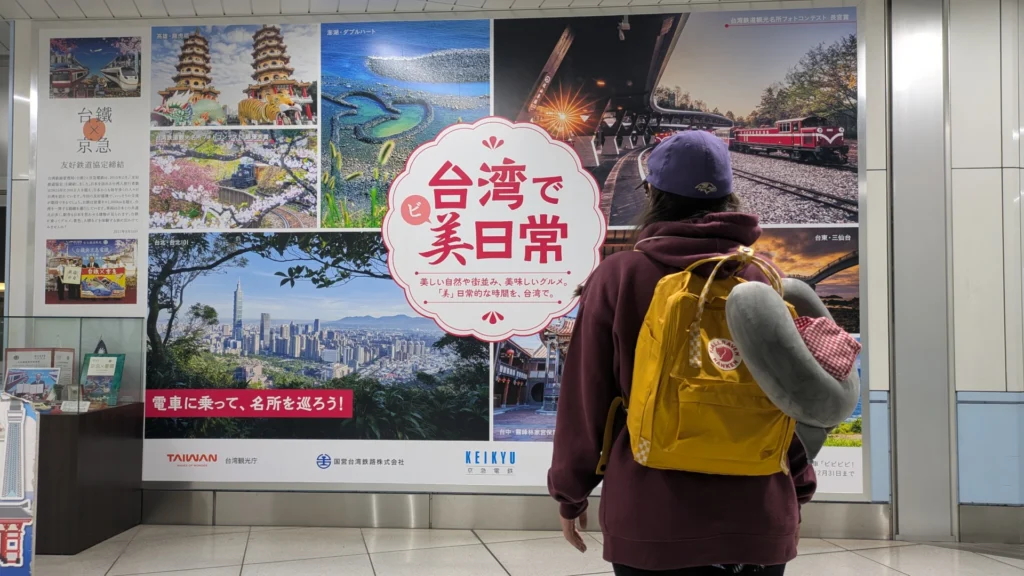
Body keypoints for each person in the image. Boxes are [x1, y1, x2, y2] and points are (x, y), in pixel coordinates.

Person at [548, 131, 816, 576]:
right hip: (758, 508)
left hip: (652, 511)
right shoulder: (760, 277)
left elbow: (586, 397)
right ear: (730, 196)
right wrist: (798, 487)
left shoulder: (618, 276)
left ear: (652, 192)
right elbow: (786, 394)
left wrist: (570, 493)